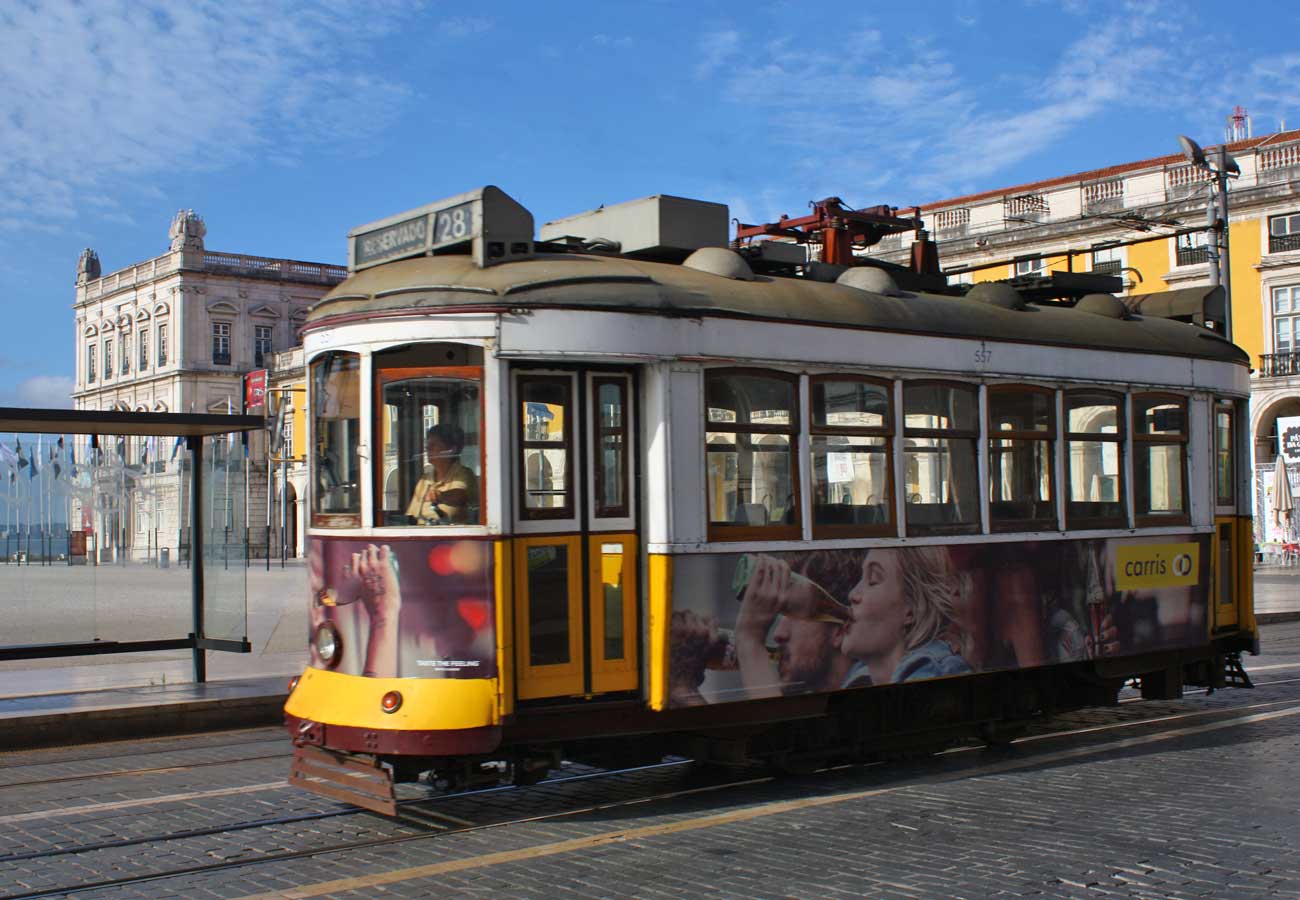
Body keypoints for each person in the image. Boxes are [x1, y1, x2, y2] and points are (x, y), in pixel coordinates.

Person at [837, 546, 973, 686]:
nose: (852, 594)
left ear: (912, 610)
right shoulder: (855, 680)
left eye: (872, 580)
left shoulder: (935, 675)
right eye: (860, 579)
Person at [734, 552, 854, 697]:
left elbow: (777, 719)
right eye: (780, 616)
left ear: (840, 630)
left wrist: (749, 639)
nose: (778, 634)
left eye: (794, 614)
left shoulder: (867, 683)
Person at [406, 424, 478, 524]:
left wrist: (441, 496)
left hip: (453, 537)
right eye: (427, 446)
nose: (428, 449)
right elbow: (412, 515)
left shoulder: (464, 474)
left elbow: (461, 495)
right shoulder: (424, 480)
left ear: (451, 449)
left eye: (433, 445)